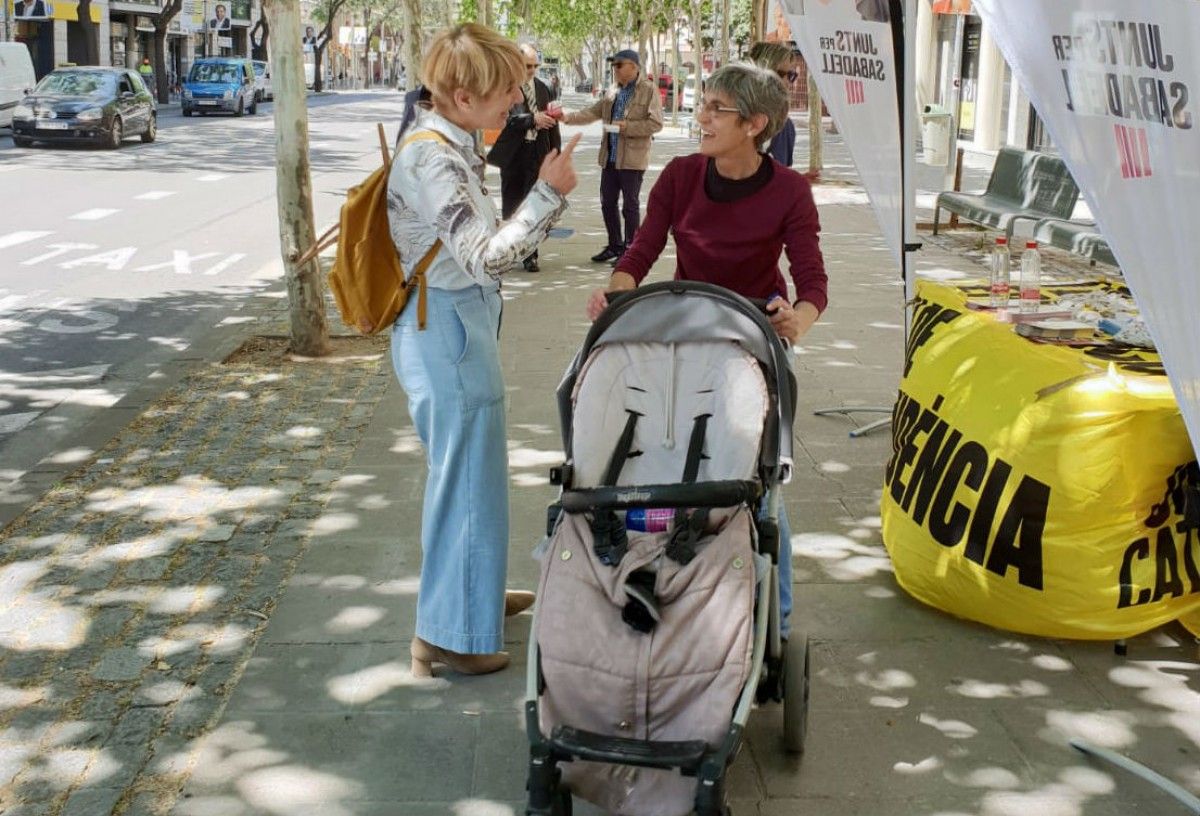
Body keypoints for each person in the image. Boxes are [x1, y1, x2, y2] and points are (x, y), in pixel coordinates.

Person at [585, 62, 828, 639]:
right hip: (684, 327)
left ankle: (778, 625)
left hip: (754, 332)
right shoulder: (681, 176)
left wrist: (800, 320)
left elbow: (812, 280)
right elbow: (642, 250)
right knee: (656, 452)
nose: (702, 118)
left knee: (760, 476)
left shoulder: (791, 191)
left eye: (716, 109)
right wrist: (615, 296)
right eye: (705, 106)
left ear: (755, 124)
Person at [386, 23, 582, 678]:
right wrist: (549, 194)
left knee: (474, 474)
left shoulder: (452, 138)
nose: (514, 104)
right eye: (504, 92)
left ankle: (470, 598)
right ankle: (448, 636)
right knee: (463, 480)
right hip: (445, 324)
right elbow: (486, 255)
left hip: (454, 319)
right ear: (463, 94)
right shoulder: (431, 157)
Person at [560, 49, 663, 265]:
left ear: (634, 67)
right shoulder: (613, 90)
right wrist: (567, 118)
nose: (614, 69)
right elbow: (592, 112)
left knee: (630, 206)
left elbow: (656, 124)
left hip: (632, 159)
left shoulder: (648, 90)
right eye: (613, 65)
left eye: (619, 65)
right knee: (607, 202)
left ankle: (630, 250)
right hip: (610, 157)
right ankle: (615, 244)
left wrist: (628, 127)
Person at [486, 44, 562, 273]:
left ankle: (531, 255)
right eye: (528, 66)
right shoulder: (505, 88)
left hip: (537, 153)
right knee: (511, 204)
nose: (532, 70)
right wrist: (532, 119)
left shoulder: (543, 88)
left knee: (534, 204)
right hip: (513, 155)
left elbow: (551, 120)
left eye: (535, 66)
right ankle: (508, 250)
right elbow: (505, 120)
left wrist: (556, 152)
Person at [748, 41, 797, 167]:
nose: (786, 82)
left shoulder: (785, 126)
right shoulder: (732, 115)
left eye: (791, 75)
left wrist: (797, 182)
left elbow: (782, 175)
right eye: (780, 74)